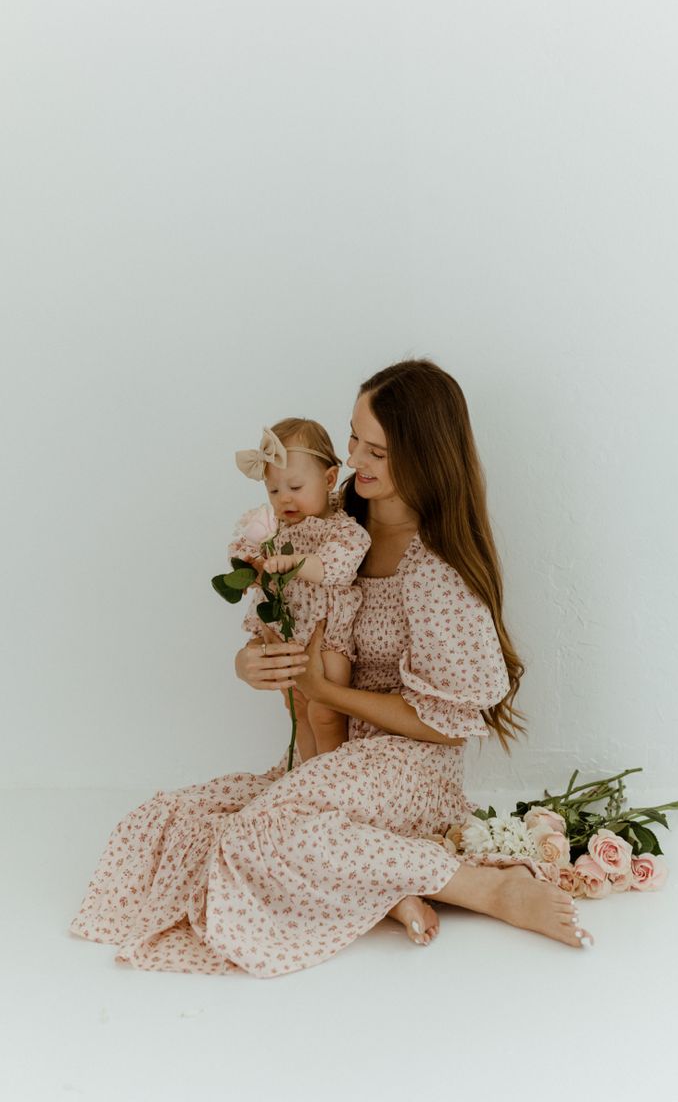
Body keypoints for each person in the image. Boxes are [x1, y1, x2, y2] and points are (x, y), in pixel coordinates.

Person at [69, 358, 594, 976]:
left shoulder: (435, 572)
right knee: (178, 821)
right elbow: (280, 611)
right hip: (334, 758)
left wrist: (326, 693)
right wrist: (253, 662)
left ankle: (480, 887)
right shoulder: (325, 524)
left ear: (426, 457)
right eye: (353, 439)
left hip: (408, 765)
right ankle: (390, 885)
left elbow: (449, 725)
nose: (358, 461)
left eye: (380, 450)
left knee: (262, 835)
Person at [228, 416, 371, 758]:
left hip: (329, 636)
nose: (284, 499)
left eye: (295, 488)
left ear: (329, 480)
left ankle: (332, 780)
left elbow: (335, 566)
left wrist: (296, 563)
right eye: (274, 490)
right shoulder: (275, 530)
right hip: (289, 634)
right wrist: (250, 568)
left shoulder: (340, 530)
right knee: (298, 710)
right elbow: (245, 554)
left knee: (325, 712)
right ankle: (305, 781)